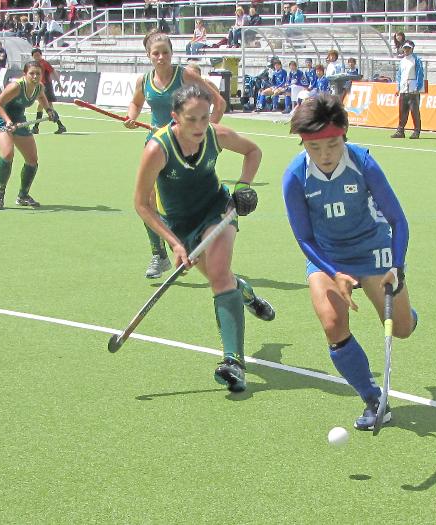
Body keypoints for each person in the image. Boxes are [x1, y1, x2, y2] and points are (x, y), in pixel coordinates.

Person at [282, 93, 418, 430]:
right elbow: (304, 238)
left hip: (373, 249)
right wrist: (334, 272)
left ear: (344, 135)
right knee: (333, 324)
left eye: (332, 144)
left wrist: (397, 267)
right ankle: (374, 399)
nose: (325, 155)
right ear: (303, 143)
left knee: (402, 329)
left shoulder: (363, 164)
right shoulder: (295, 176)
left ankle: (408, 313)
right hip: (327, 255)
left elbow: (398, 220)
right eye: (314, 147)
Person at [134, 83, 275, 393]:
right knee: (221, 279)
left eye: (205, 117)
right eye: (191, 119)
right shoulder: (157, 149)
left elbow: (253, 151)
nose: (199, 126)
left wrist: (243, 187)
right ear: (175, 117)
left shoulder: (215, 134)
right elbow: (142, 205)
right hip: (180, 225)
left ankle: (233, 363)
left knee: (219, 275)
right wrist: (175, 243)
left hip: (217, 210)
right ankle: (246, 294)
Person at [125, 29, 225, 279]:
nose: (161, 57)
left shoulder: (185, 75)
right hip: (156, 146)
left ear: (172, 52)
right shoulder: (144, 81)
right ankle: (159, 255)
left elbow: (218, 102)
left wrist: (206, 132)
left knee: (180, 203)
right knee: (148, 202)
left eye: (165, 52)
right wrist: (132, 117)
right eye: (156, 53)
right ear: (148, 55)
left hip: (186, 147)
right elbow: (136, 103)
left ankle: (188, 247)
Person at [0, 60, 58, 210]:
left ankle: (23, 196)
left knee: (32, 159)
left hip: (19, 119)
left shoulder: (39, 87)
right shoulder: (16, 87)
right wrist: (8, 121)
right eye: (31, 73)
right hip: (1, 118)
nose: (35, 76)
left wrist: (49, 111)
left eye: (38, 73)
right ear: (25, 74)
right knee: (8, 154)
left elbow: (42, 97)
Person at [30, 47, 67, 134]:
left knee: (47, 106)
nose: (36, 57)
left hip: (46, 87)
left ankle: (37, 127)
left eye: (38, 55)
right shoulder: (34, 65)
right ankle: (37, 127)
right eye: (35, 56)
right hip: (40, 87)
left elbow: (53, 72)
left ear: (41, 55)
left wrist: (59, 84)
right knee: (43, 107)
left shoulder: (44, 63)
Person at [392, 40, 423, 139]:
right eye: (405, 48)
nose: (406, 50)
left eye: (408, 48)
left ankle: (416, 131)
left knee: (414, 111)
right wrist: (398, 88)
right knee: (402, 111)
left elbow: (420, 74)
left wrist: (418, 87)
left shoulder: (416, 60)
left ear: (412, 49)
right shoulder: (402, 61)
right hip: (403, 88)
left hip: (413, 88)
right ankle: (400, 130)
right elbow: (399, 75)